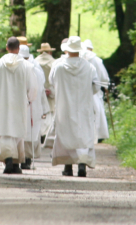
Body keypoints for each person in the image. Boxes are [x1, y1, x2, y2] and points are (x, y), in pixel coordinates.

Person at [50, 35, 100, 177]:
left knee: (67, 133)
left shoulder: (58, 66)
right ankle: (82, 164)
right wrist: (87, 92)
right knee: (82, 134)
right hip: (83, 105)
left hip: (64, 106)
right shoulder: (89, 67)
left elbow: (52, 81)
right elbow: (96, 86)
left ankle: (68, 166)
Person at [0, 37, 37, 174]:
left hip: (1, 102)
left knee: (3, 131)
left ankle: (9, 160)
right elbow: (32, 87)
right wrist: (29, 99)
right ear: (19, 48)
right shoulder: (27, 66)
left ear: (6, 47)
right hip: (19, 103)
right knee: (17, 132)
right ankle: (15, 161)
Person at [19, 44, 50, 169]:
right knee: (31, 131)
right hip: (34, 104)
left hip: (25, 104)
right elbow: (41, 89)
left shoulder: (19, 68)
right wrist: (44, 108)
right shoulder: (36, 69)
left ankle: (22, 158)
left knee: (23, 131)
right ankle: (27, 159)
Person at [82, 39, 110, 142]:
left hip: (82, 90)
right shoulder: (97, 60)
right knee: (97, 110)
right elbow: (103, 76)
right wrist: (106, 85)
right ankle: (98, 134)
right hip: (95, 89)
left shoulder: (80, 58)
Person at [35, 43, 57, 144]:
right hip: (50, 90)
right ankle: (44, 133)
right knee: (49, 114)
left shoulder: (35, 62)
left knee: (39, 113)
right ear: (50, 51)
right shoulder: (54, 62)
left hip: (38, 91)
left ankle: (39, 132)